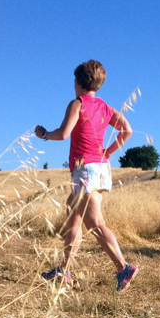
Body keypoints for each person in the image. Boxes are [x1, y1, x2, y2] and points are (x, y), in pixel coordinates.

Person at [34, 60, 138, 292]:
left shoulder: (77, 103)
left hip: (85, 169)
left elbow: (63, 134)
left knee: (95, 223)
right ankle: (64, 271)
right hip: (100, 168)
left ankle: (123, 268)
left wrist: (44, 135)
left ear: (78, 82)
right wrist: (108, 153)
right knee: (74, 216)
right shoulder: (105, 107)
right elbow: (128, 130)